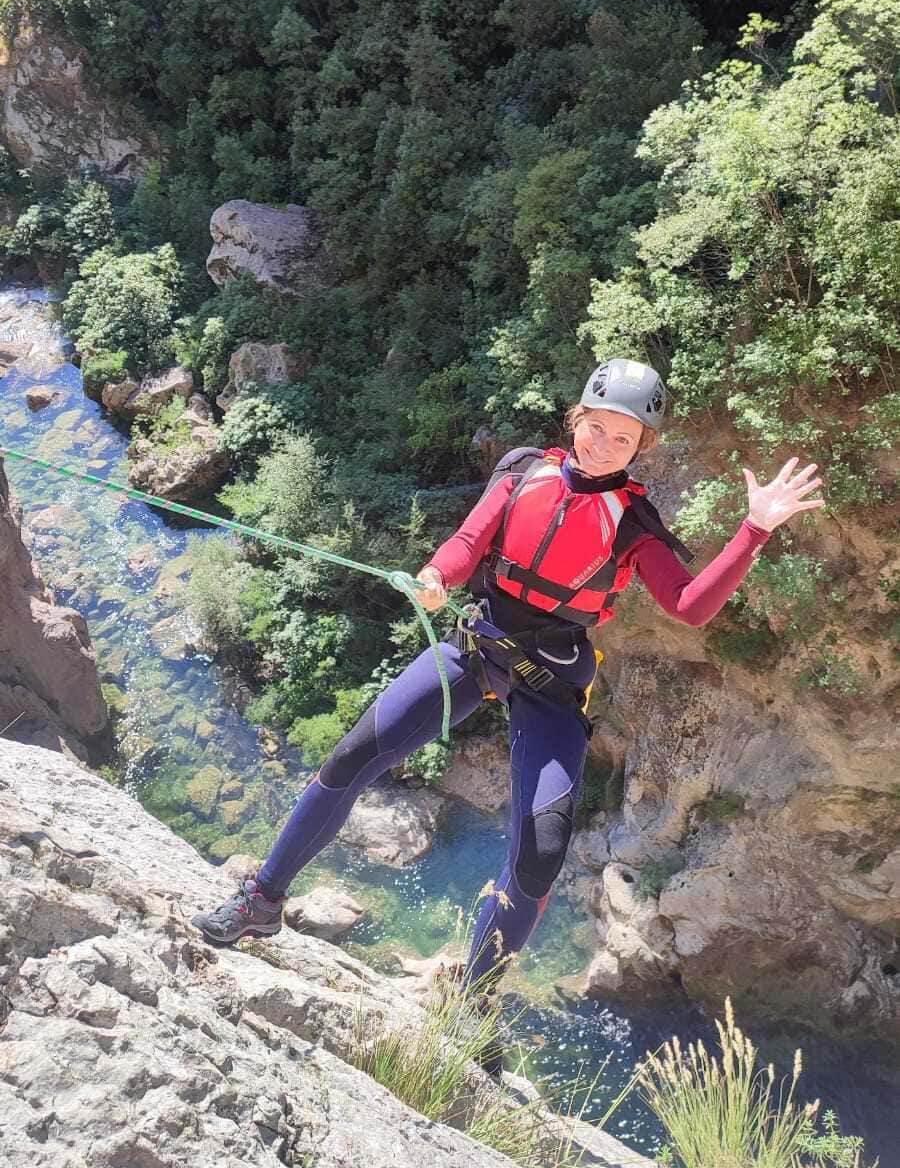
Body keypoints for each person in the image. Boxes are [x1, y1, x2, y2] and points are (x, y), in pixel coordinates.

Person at [192, 357, 824, 996]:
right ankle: (262, 901)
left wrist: (754, 531)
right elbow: (470, 542)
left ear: (641, 449)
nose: (604, 446)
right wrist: (439, 575)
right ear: (577, 418)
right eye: (597, 427)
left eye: (623, 438)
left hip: (551, 680)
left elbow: (689, 607)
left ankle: (471, 1001)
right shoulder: (524, 471)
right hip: (479, 643)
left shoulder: (632, 523)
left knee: (542, 853)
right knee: (356, 754)